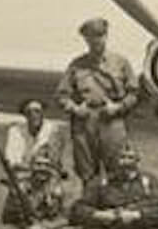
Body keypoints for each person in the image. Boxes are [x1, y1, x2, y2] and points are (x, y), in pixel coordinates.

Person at [56, 16, 141, 182]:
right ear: (86, 39)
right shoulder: (76, 65)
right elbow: (61, 95)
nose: (96, 40)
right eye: (91, 37)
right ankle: (90, 205)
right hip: (84, 120)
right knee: (87, 172)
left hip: (112, 120)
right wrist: (75, 109)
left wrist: (119, 107)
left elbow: (134, 93)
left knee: (118, 168)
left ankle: (117, 204)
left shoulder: (120, 62)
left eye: (99, 36)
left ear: (106, 36)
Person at [0, 153, 77, 229]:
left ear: (52, 168)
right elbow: (7, 217)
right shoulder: (20, 187)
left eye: (46, 165)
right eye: (38, 164)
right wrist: (15, 202)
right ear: (31, 167)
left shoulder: (62, 188)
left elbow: (68, 217)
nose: (42, 168)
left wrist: (46, 227)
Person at [4, 98, 68, 178]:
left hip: (46, 174)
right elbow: (11, 159)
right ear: (25, 115)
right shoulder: (15, 131)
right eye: (29, 112)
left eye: (37, 111)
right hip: (23, 173)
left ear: (42, 114)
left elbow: (54, 157)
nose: (34, 115)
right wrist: (28, 167)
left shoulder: (52, 130)